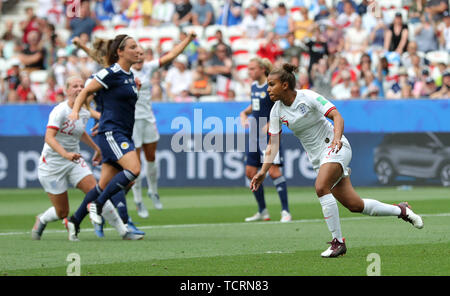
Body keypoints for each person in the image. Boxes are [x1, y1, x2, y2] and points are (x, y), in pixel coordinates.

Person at [250, 63, 424, 258]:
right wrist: (263, 172)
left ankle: (338, 243)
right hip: (318, 159)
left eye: (271, 84)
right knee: (355, 205)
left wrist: (336, 139)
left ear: (284, 85)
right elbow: (272, 145)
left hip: (336, 146)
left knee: (320, 187)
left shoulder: (308, 97)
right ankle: (401, 210)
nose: (268, 89)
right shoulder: (276, 111)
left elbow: (336, 116)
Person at [68, 32, 197, 228]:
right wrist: (76, 112)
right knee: (134, 169)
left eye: (138, 47)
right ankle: (101, 206)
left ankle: (75, 220)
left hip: (124, 130)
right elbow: (86, 89)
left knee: (103, 184)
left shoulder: (130, 76)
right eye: (133, 47)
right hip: (112, 132)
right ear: (120, 52)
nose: (139, 51)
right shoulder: (110, 73)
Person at [31, 76, 141, 241]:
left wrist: (96, 148)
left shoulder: (84, 111)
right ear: (67, 90)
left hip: (74, 161)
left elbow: (80, 131)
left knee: (97, 192)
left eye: (81, 86)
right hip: (52, 165)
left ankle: (123, 231)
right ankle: (42, 219)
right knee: (62, 212)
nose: (79, 89)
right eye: (74, 86)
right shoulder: (60, 111)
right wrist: (65, 154)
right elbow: (49, 137)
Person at [131, 40, 195, 217]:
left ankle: (153, 191)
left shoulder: (148, 68)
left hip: (148, 118)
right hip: (132, 121)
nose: (139, 57)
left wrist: (188, 39)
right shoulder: (123, 71)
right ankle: (138, 200)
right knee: (135, 164)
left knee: (151, 158)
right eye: (136, 53)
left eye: (141, 54)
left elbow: (172, 55)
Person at [240, 57, 291, 223]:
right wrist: (243, 114)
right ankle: (262, 210)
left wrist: (271, 122)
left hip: (270, 135)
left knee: (274, 171)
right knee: (250, 172)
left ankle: (285, 211)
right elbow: (254, 106)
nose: (250, 72)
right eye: (248, 69)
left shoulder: (271, 86)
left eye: (253, 68)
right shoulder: (254, 86)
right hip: (255, 134)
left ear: (262, 69)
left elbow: (281, 106)